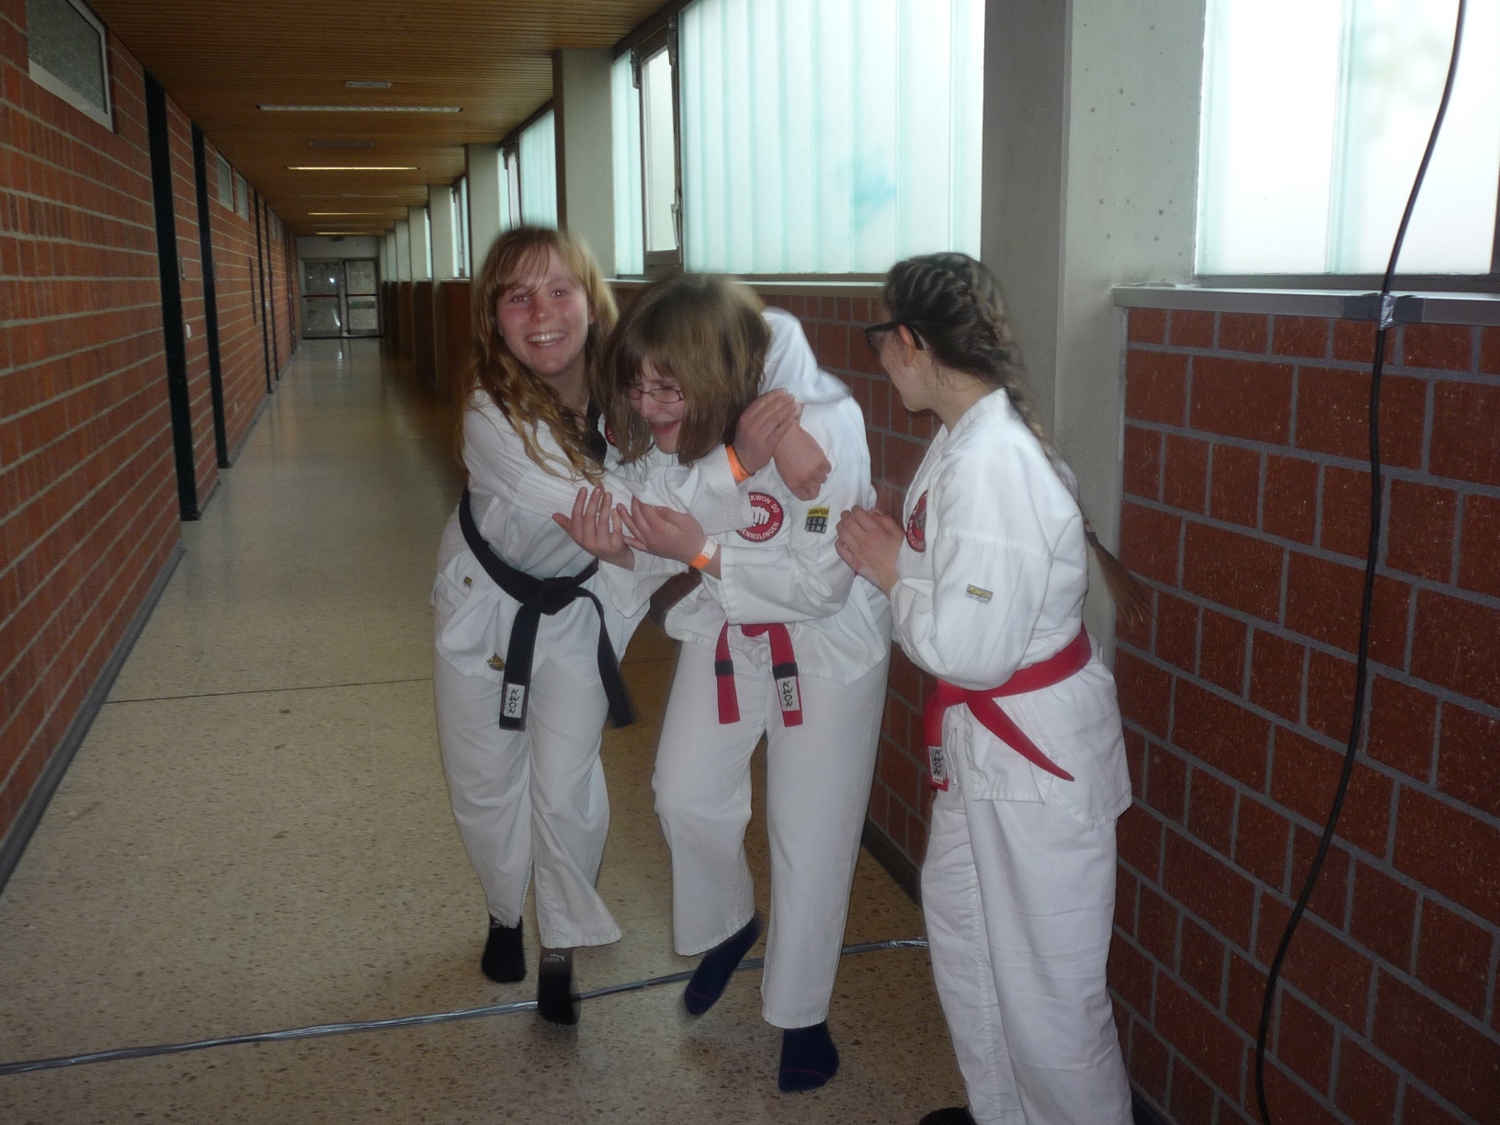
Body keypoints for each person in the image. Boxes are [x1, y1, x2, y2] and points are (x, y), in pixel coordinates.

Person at [431, 228, 814, 1025]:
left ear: (591, 298)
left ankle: (559, 945)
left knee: (565, 785)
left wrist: (783, 434)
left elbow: (766, 334)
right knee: (484, 782)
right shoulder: (489, 413)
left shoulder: (635, 383)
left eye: (559, 290)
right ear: (493, 317)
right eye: (517, 297)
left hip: (583, 604)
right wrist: (734, 463)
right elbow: (620, 509)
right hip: (486, 604)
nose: (542, 313)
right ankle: (504, 908)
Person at [557, 274, 891, 1093]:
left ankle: (802, 1014)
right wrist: (617, 545)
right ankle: (730, 921)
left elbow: (822, 586)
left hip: (826, 648)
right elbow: (649, 508)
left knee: (807, 831)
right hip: (729, 626)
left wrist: (703, 552)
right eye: (637, 387)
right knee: (683, 793)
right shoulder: (663, 418)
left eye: (666, 389)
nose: (649, 405)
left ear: (717, 375)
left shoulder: (823, 426)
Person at [835, 252, 1145, 1125]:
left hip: (1032, 756)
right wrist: (903, 558)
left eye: (880, 339)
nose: (880, 358)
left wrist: (892, 571)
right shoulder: (965, 439)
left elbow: (971, 650)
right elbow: (962, 583)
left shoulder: (993, 461)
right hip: (988, 748)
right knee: (967, 937)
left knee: (1051, 1003)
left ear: (910, 340)